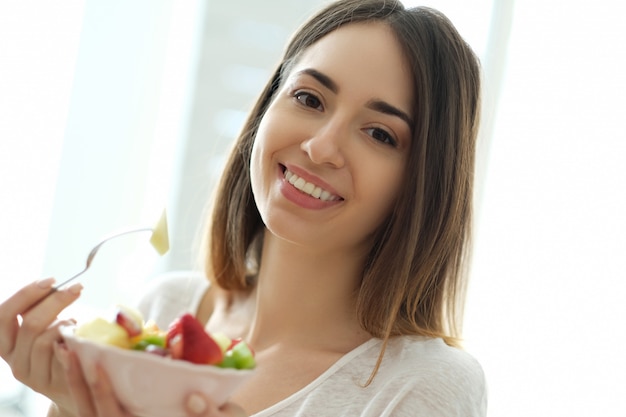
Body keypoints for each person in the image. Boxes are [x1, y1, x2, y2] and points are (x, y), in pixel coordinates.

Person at [0, 0, 486, 415]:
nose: (320, 147)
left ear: (422, 184)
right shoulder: (165, 308)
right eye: (309, 98)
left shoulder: (426, 385)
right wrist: (68, 404)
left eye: (379, 134)